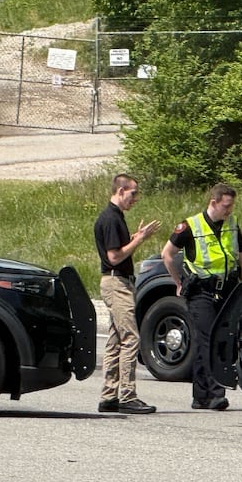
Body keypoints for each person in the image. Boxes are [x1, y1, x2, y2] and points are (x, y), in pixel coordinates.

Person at [161, 182, 242, 410]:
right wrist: (178, 281)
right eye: (226, 206)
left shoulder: (232, 224)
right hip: (201, 291)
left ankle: (200, 395)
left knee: (209, 341)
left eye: (231, 206)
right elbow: (167, 254)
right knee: (210, 339)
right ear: (214, 202)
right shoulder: (191, 226)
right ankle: (216, 392)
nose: (229, 211)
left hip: (227, 289)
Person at [94, 173, 161, 414]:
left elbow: (117, 250)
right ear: (120, 191)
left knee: (116, 339)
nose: (136, 199)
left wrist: (133, 238)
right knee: (131, 338)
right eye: (133, 193)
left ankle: (109, 394)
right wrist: (139, 240)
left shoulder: (115, 217)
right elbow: (114, 257)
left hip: (117, 282)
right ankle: (127, 395)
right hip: (116, 283)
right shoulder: (111, 218)